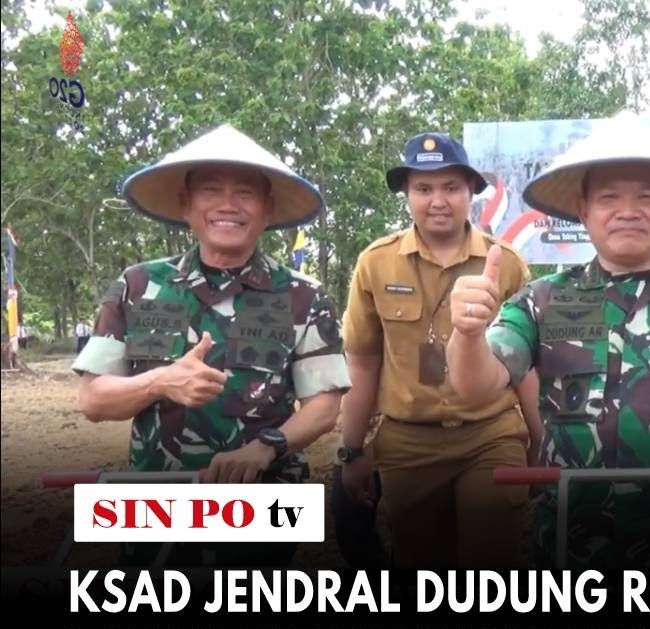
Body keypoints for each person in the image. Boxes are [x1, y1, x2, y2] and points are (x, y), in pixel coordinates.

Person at [445, 115, 650, 569]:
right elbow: (478, 385)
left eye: (646, 197)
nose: (628, 210)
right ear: (583, 210)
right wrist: (467, 335)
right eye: (609, 198)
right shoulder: (543, 301)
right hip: (569, 536)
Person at [72, 124, 350, 567]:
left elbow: (324, 406)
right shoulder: (139, 285)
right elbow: (93, 399)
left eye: (245, 192)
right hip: (154, 501)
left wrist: (265, 448)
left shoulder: (302, 295)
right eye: (209, 190)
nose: (227, 204)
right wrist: (161, 381)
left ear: (267, 209)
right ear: (185, 204)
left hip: (263, 504)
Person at [337, 131, 539, 569]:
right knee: (420, 568)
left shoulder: (505, 263)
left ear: (472, 194)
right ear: (407, 195)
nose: (438, 200)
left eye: (451, 187)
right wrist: (351, 451)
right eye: (423, 188)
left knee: (489, 566)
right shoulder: (376, 263)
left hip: (491, 433)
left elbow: (525, 365)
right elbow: (363, 360)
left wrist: (541, 438)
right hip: (409, 443)